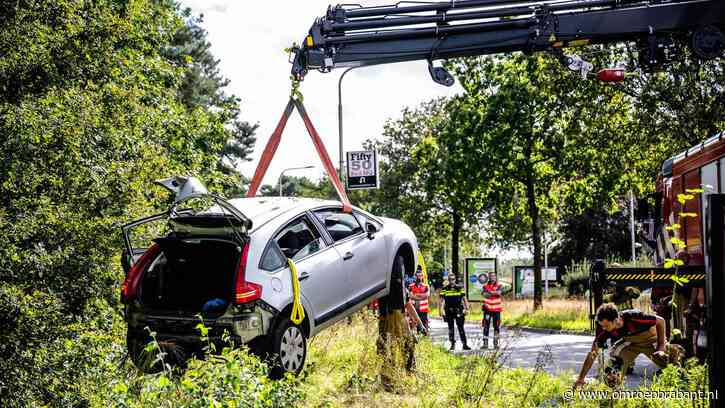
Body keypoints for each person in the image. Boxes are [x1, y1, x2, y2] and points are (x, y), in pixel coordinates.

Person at [574, 303, 683, 388]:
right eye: (602, 326)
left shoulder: (634, 317)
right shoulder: (605, 329)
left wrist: (661, 346)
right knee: (614, 365)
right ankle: (614, 394)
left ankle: (676, 359)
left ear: (616, 320)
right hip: (631, 344)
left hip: (651, 340)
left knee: (671, 364)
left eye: (606, 326)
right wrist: (581, 378)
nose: (604, 329)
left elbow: (660, 321)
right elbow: (593, 353)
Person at [439, 273, 471, 351]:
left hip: (459, 310)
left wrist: (467, 309)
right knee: (451, 328)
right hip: (448, 311)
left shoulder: (460, 288)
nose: (451, 281)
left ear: (455, 280)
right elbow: (442, 301)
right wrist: (440, 310)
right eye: (450, 279)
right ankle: (452, 344)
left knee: (461, 328)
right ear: (448, 280)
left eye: (453, 279)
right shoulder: (445, 289)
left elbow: (464, 298)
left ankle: (464, 344)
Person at [481, 272, 503, 349]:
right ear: (489, 278)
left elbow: (499, 293)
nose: (492, 277)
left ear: (496, 277)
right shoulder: (485, 286)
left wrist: (490, 292)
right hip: (487, 309)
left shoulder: (499, 286)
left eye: (494, 276)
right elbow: (484, 294)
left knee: (496, 326)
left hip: (497, 310)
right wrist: (494, 293)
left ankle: (496, 343)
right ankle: (485, 343)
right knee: (486, 326)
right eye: (491, 276)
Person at [408, 266, 430, 335]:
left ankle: (425, 339)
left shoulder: (426, 286)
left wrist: (416, 295)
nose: (419, 277)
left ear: (422, 276)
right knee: (414, 324)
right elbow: (410, 295)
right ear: (415, 277)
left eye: (420, 276)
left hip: (423, 310)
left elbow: (426, 295)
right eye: (417, 276)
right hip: (414, 309)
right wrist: (421, 296)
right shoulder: (411, 286)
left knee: (424, 325)